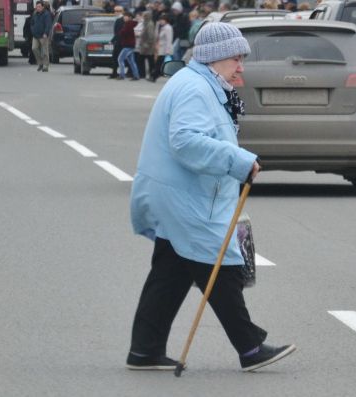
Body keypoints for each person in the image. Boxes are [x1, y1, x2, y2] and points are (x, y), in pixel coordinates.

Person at [127, 22, 296, 372]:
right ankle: (250, 348)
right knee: (222, 268)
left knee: (171, 271)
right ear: (215, 58)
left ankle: (144, 350)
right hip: (186, 197)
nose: (241, 66)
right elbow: (185, 140)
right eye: (236, 58)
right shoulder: (194, 89)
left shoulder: (203, 84)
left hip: (183, 193)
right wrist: (239, 161)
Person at [148, 13, 173, 82]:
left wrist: (167, 50)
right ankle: (154, 75)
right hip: (159, 48)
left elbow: (169, 39)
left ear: (166, 20)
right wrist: (157, 26)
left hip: (164, 49)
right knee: (158, 63)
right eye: (160, 20)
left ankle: (154, 76)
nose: (161, 21)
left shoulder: (168, 28)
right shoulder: (161, 27)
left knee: (158, 63)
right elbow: (156, 36)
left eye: (163, 20)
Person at [117, 11, 141, 80]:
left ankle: (122, 75)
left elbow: (123, 32)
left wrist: (121, 32)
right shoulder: (132, 24)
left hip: (128, 44)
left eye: (125, 16)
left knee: (120, 59)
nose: (124, 17)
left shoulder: (129, 24)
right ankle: (136, 75)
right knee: (131, 61)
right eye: (124, 16)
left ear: (130, 17)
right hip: (131, 44)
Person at [30, 0, 53, 72]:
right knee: (34, 48)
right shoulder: (35, 14)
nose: (38, 8)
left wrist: (46, 33)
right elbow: (32, 23)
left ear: (43, 7)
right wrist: (33, 30)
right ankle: (40, 63)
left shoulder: (46, 14)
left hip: (43, 35)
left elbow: (48, 24)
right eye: (37, 7)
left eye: (39, 7)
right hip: (36, 35)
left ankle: (45, 66)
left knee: (45, 51)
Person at [108, 5, 125, 79]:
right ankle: (114, 72)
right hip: (118, 41)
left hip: (120, 42)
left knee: (117, 58)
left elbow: (119, 32)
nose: (115, 12)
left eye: (117, 11)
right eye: (115, 11)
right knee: (116, 58)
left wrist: (112, 40)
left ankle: (116, 73)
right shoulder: (118, 19)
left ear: (121, 11)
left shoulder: (120, 20)